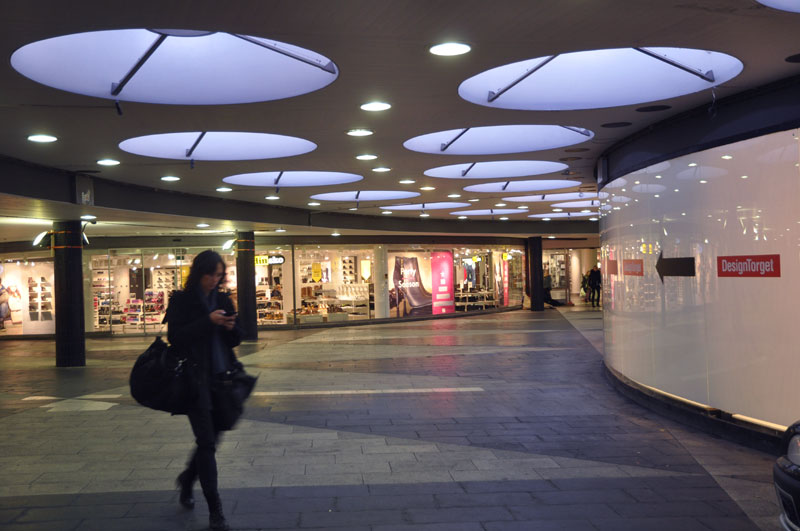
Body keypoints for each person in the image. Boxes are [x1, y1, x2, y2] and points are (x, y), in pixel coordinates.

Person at [167, 250, 243, 531]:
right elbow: (175, 338)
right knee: (207, 443)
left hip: (222, 379)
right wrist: (207, 322)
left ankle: (187, 479)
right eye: (211, 274)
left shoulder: (223, 298)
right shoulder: (182, 301)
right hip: (194, 382)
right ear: (199, 273)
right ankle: (216, 509)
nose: (215, 280)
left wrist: (230, 326)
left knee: (210, 439)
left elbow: (237, 338)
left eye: (219, 275)